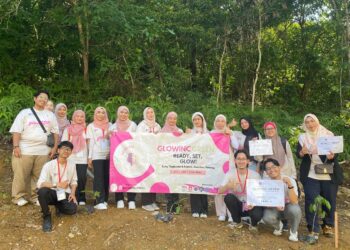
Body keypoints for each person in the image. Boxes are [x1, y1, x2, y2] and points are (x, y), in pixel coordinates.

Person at [296, 114, 343, 239]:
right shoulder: (302, 137)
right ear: (304, 124)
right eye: (307, 122)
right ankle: (313, 228)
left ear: (317, 121)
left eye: (312, 121)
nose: (310, 124)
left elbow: (336, 153)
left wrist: (332, 156)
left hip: (328, 173)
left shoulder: (328, 135)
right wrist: (302, 152)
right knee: (311, 200)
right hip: (311, 173)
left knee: (330, 201)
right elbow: (298, 154)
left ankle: (328, 225)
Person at [10, 90, 59, 206]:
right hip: (24, 149)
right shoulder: (25, 113)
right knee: (21, 174)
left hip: (43, 150)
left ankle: (36, 196)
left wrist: (55, 148)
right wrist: (16, 146)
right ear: (35, 99)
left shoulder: (50, 115)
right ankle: (18, 196)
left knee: (40, 175)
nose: (43, 100)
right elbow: (16, 131)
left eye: (45, 98)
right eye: (40, 97)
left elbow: (55, 132)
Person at [37, 141, 78, 232]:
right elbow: (40, 183)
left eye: (69, 149)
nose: (66, 151)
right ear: (58, 150)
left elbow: (74, 181)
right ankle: (46, 216)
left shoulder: (72, 165)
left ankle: (58, 206)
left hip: (63, 193)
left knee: (72, 209)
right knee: (42, 191)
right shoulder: (49, 165)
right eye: (64, 148)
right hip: (52, 192)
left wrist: (73, 193)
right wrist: (56, 185)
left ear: (71, 152)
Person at [219, 150, 263, 232]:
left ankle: (253, 224)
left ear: (248, 161)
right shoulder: (230, 174)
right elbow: (219, 191)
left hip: (251, 205)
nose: (241, 161)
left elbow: (261, 194)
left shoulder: (255, 175)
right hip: (238, 206)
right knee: (228, 197)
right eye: (238, 159)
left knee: (257, 213)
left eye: (243, 159)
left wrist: (254, 203)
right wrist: (228, 186)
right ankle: (237, 221)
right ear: (235, 161)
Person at [262, 158, 301, 242]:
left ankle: (294, 232)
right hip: (274, 208)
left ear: (279, 167)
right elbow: (265, 201)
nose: (272, 170)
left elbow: (294, 201)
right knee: (267, 217)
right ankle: (279, 226)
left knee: (296, 210)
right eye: (268, 169)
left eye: (274, 167)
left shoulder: (289, 180)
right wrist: (276, 205)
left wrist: (289, 185)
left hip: (288, 207)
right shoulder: (265, 183)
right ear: (266, 172)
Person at [109, 106, 137, 209]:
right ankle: (119, 199)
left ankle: (131, 200)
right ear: (118, 113)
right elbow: (110, 141)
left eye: (126, 112)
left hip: (130, 155)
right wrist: (109, 135)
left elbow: (138, 138)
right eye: (121, 112)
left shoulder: (133, 125)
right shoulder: (112, 127)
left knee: (130, 177)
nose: (124, 114)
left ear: (128, 114)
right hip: (117, 156)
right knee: (117, 176)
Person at [136, 107, 161, 212]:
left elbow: (161, 139)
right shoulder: (141, 125)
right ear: (145, 114)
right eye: (148, 112)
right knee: (146, 178)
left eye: (152, 112)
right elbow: (138, 139)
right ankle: (146, 203)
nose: (150, 114)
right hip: (144, 155)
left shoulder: (157, 125)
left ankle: (152, 201)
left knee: (153, 178)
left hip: (155, 155)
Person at [61, 110, 88, 206]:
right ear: (73, 117)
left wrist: (89, 157)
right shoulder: (68, 129)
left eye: (81, 116)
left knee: (81, 178)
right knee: (70, 178)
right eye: (77, 116)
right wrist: (64, 156)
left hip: (82, 158)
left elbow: (88, 143)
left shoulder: (86, 129)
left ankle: (81, 198)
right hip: (70, 157)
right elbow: (64, 144)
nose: (79, 118)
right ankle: (71, 196)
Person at [87, 107, 111, 210]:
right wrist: (90, 157)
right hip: (97, 154)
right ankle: (98, 201)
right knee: (98, 178)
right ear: (95, 114)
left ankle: (105, 199)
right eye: (98, 112)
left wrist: (111, 152)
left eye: (103, 113)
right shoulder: (91, 126)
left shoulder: (110, 126)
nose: (101, 114)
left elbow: (114, 140)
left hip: (108, 155)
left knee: (106, 177)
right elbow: (91, 142)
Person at [186, 112, 209, 218]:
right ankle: (195, 209)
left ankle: (204, 210)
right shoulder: (190, 132)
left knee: (203, 186)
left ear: (202, 120)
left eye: (198, 119)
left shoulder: (208, 133)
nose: (196, 121)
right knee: (194, 185)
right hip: (193, 162)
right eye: (194, 119)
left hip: (204, 162)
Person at [161, 111, 184, 213]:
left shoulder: (180, 131)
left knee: (176, 183)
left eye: (174, 118)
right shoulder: (161, 132)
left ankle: (176, 207)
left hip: (177, 161)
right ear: (167, 119)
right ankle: (169, 206)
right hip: (166, 161)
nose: (172, 120)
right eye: (170, 118)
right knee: (167, 183)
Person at [212, 114, 233, 222]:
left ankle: (230, 213)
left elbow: (237, 146)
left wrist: (231, 135)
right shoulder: (211, 134)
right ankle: (221, 213)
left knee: (229, 187)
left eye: (222, 121)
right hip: (216, 164)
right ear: (215, 122)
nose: (220, 123)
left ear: (225, 123)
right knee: (218, 186)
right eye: (218, 121)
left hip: (229, 162)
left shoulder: (229, 132)